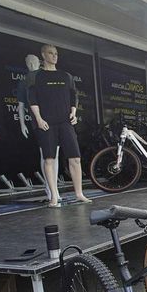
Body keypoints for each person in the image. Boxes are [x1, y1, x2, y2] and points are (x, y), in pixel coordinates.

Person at [27, 44, 90, 207]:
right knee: (49, 159)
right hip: (47, 122)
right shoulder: (36, 77)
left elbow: (73, 96)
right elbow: (32, 99)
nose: (54, 56)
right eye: (50, 53)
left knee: (75, 158)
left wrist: (74, 113)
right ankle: (54, 196)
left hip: (65, 122)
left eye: (56, 53)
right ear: (43, 55)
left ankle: (79, 193)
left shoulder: (66, 76)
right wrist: (39, 119)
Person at [16, 54, 59, 202]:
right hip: (39, 121)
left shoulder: (45, 76)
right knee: (47, 155)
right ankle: (50, 189)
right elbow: (21, 105)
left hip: (54, 119)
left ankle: (54, 189)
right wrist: (22, 124)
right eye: (29, 61)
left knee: (54, 155)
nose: (32, 64)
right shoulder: (25, 81)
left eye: (34, 61)